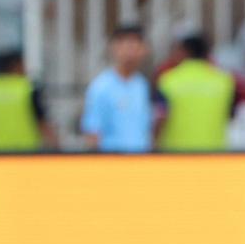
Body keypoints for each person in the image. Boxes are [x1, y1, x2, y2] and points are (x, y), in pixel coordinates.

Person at [155, 34, 235, 152]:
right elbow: (230, 114)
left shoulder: (167, 81)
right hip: (215, 154)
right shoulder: (225, 81)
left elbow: (160, 118)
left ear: (183, 52)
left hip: (176, 155)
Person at [82, 24, 154, 153]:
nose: (131, 53)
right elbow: (93, 132)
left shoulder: (143, 85)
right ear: (114, 48)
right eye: (127, 47)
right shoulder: (101, 87)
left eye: (136, 47)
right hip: (113, 164)